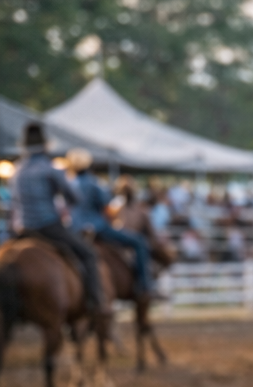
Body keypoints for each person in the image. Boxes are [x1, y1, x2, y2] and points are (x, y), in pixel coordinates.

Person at [10, 123, 107, 316]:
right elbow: (74, 198)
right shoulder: (50, 168)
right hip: (48, 226)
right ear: (46, 145)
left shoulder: (17, 171)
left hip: (22, 229)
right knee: (88, 254)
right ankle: (95, 302)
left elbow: (15, 202)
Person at [68, 151, 152, 293]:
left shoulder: (68, 183)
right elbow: (108, 208)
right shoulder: (94, 182)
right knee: (139, 242)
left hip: (74, 229)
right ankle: (144, 285)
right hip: (98, 228)